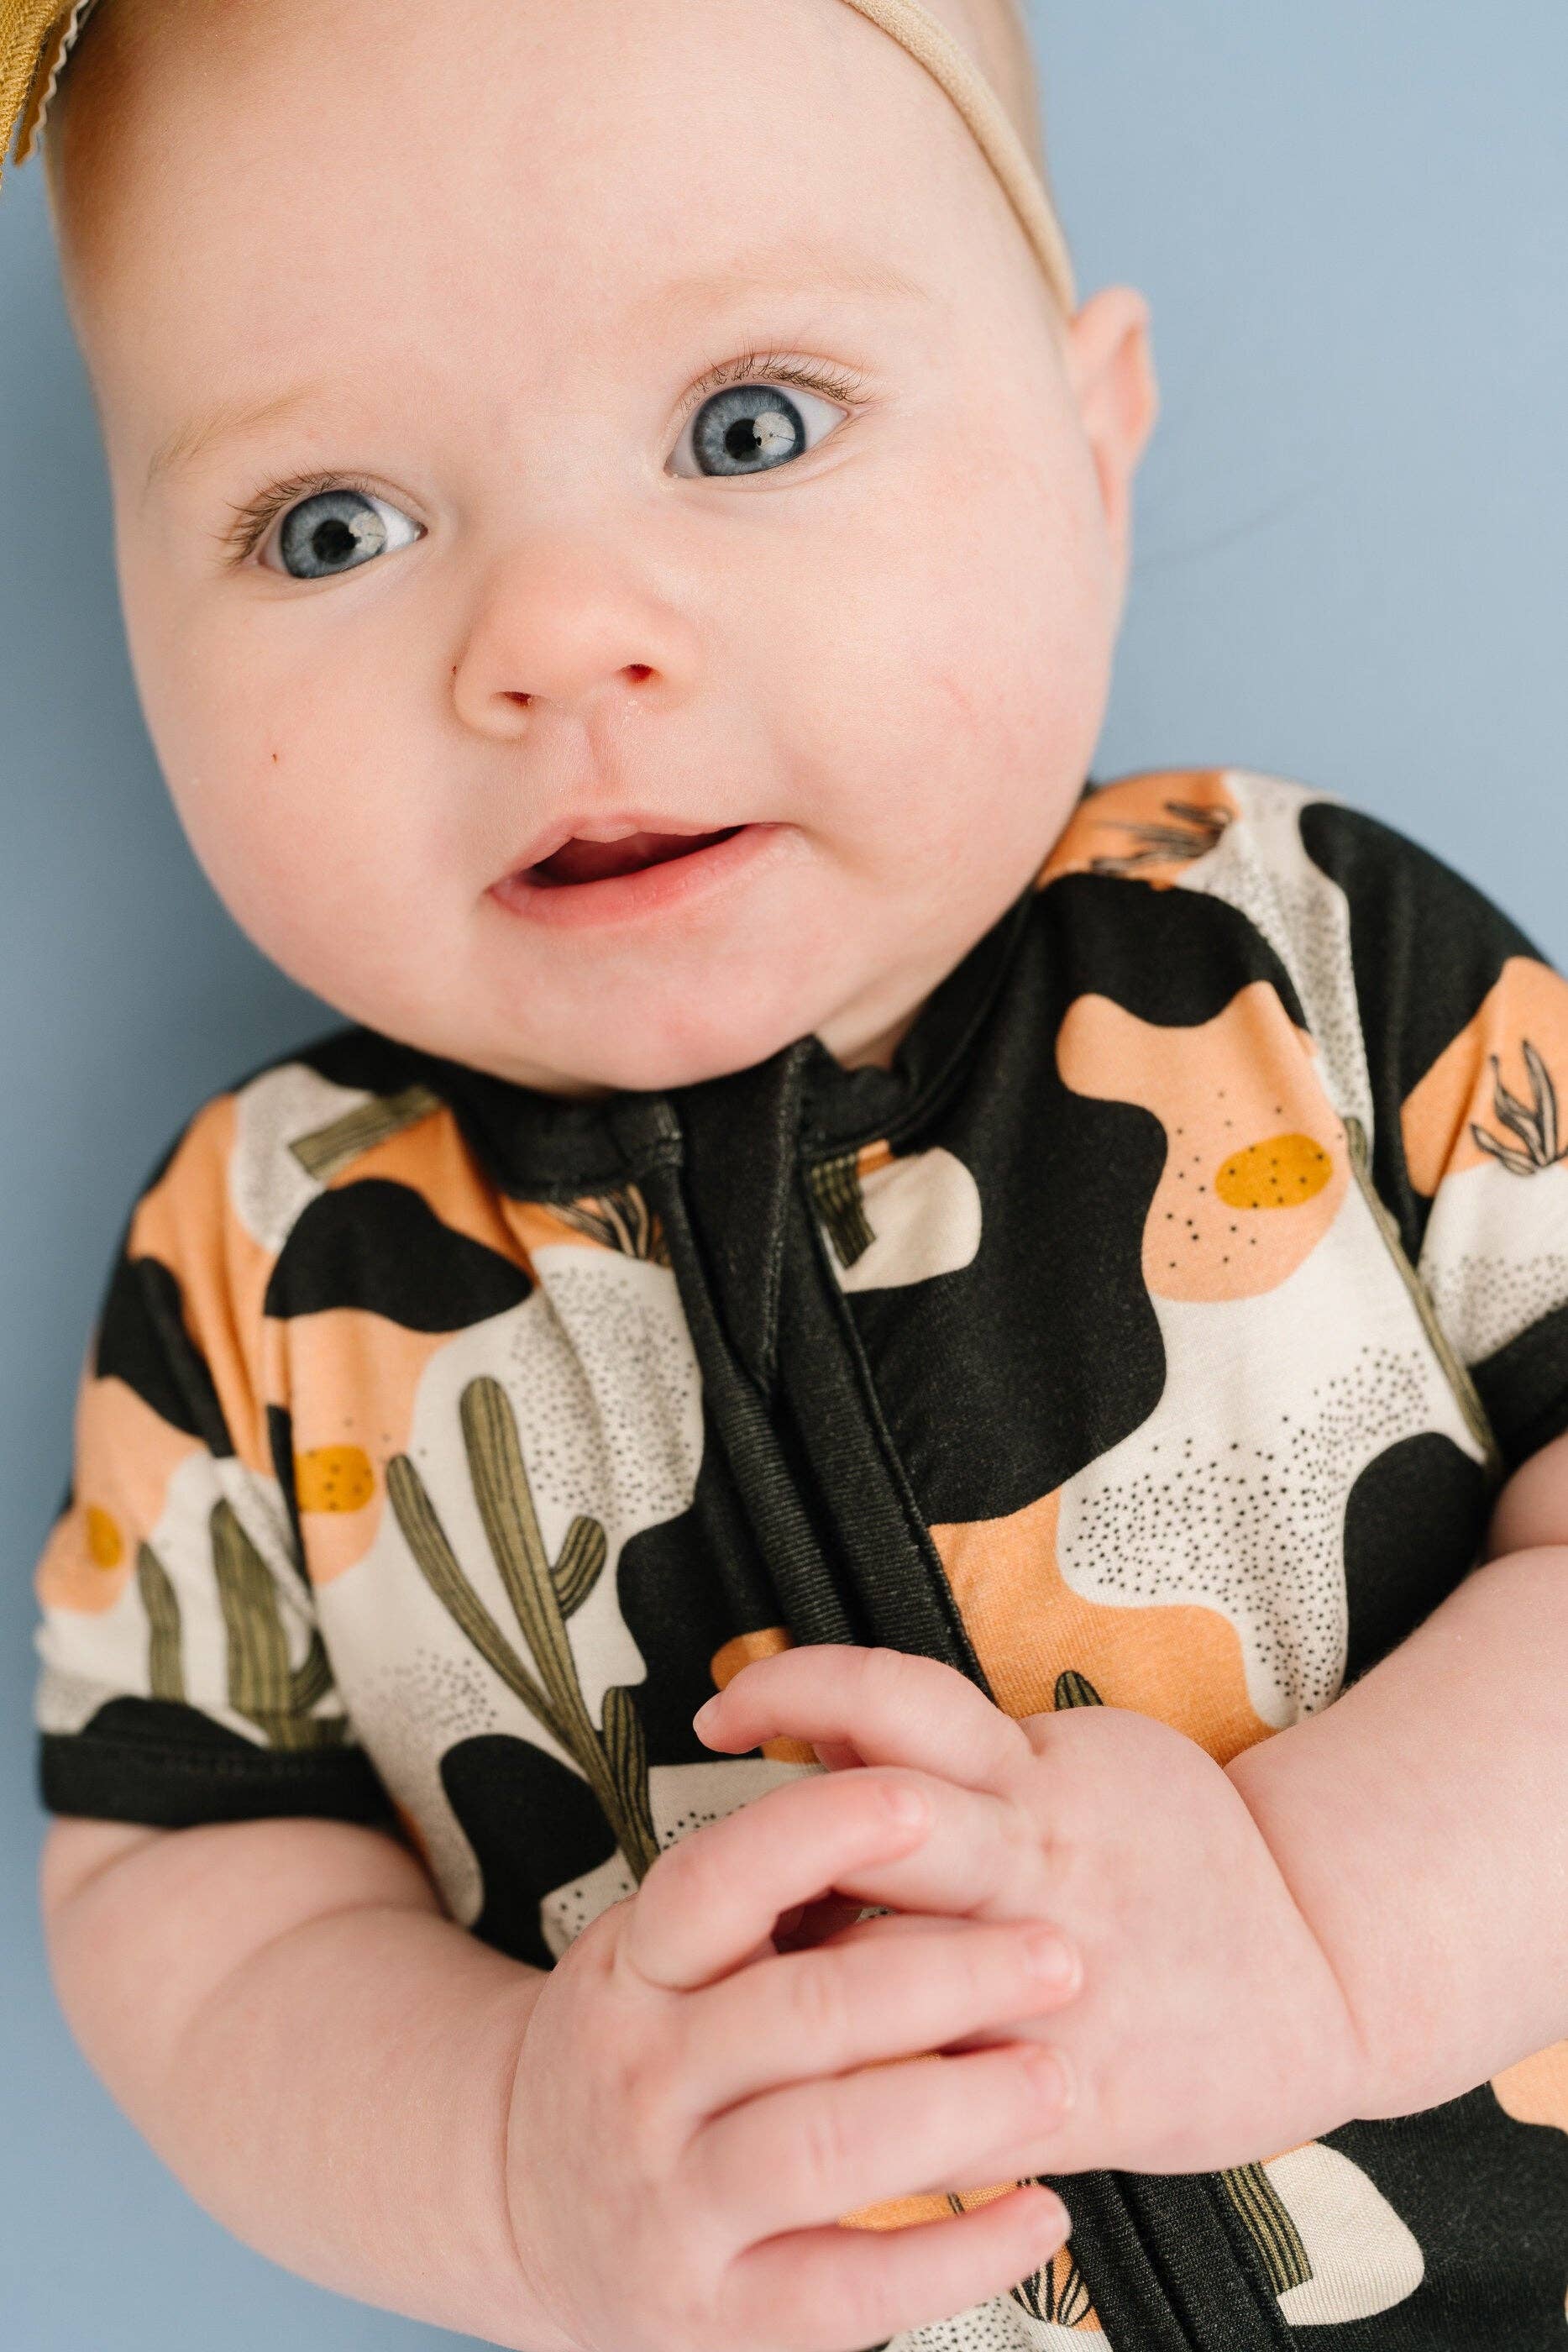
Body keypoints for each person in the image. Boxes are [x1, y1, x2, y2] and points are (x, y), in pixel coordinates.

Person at [8, 0, 1568, 2345]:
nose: (553, 639)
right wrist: (499, 2160)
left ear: (1088, 446)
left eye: (748, 427)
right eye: (329, 526)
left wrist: (1320, 1921)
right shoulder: (262, 1256)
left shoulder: (1301, 960)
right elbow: (184, 1893)